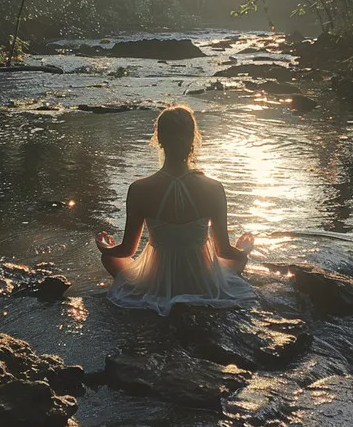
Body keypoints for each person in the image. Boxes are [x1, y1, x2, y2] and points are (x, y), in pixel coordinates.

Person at [95, 104, 256, 316]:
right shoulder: (213, 187)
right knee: (238, 260)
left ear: (159, 139)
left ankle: (158, 293)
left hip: (156, 280)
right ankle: (198, 294)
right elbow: (223, 251)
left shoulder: (140, 188)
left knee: (109, 259)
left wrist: (105, 247)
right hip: (201, 280)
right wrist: (243, 250)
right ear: (193, 139)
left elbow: (127, 251)